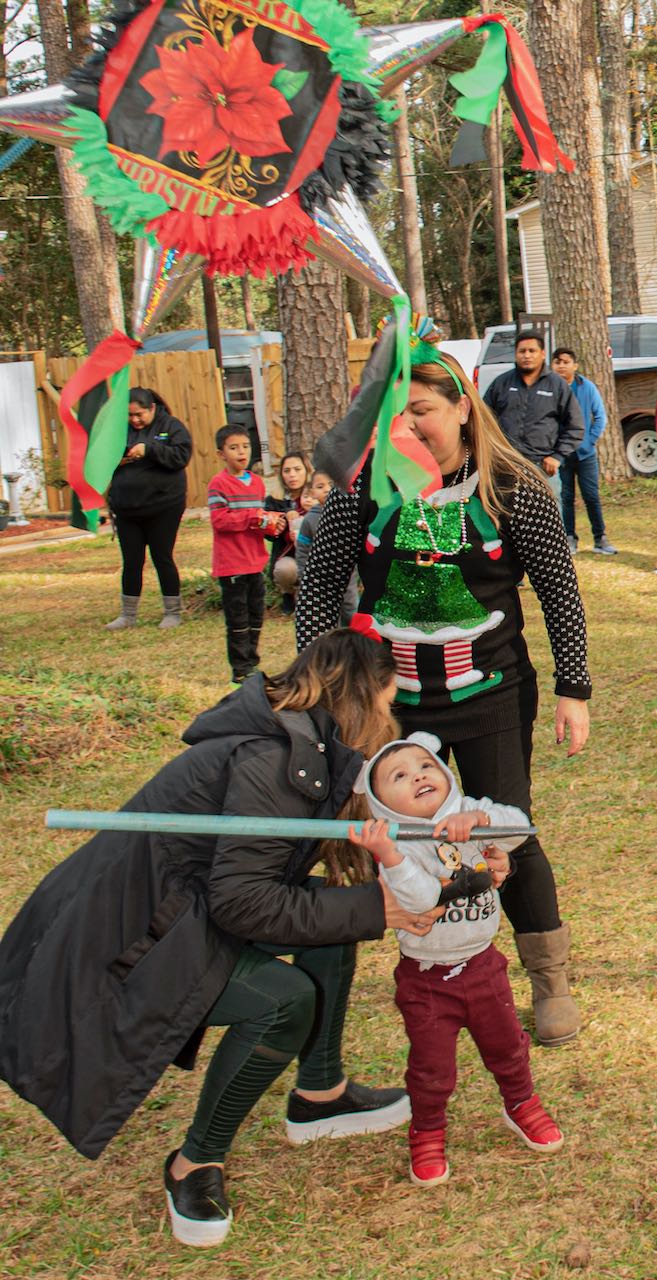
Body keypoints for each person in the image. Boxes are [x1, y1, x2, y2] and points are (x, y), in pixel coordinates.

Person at [0, 631, 441, 1249]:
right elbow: (243, 902)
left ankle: (320, 1096)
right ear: (363, 697)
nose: (391, 720)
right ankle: (193, 1164)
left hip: (178, 915)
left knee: (336, 924)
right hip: (124, 943)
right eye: (389, 702)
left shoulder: (298, 742)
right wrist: (376, 907)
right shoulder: (271, 761)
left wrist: (450, 861)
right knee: (285, 999)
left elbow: (261, 882)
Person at [297, 327, 591, 1048]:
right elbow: (318, 585)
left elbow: (559, 591)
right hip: (389, 708)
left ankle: (549, 978)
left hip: (489, 694)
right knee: (392, 838)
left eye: (422, 410)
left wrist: (573, 688)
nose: (409, 426)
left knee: (503, 829)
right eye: (396, 415)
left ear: (461, 407)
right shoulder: (364, 488)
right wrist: (321, 688)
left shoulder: (511, 486)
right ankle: (429, 970)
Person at [349, 732, 563, 1186]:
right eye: (399, 776)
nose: (418, 776)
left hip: (485, 965)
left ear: (445, 773)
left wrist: (482, 819)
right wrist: (389, 856)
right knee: (432, 1068)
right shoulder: (397, 844)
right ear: (379, 802)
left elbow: (521, 828)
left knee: (508, 1046)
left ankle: (521, 1102)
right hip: (426, 978)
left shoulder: (467, 808)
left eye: (426, 766)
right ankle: (427, 1130)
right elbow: (421, 898)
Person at [105, 387, 192, 630]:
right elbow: (104, 459)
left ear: (152, 408)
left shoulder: (171, 426)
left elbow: (181, 456)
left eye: (139, 414)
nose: (135, 420)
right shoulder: (119, 431)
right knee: (132, 561)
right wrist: (119, 459)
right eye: (130, 415)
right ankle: (128, 615)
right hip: (127, 509)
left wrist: (150, 449)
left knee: (162, 557)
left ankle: (172, 612)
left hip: (163, 506)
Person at [208, 424, 286, 688]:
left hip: (255, 561)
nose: (241, 452)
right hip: (232, 565)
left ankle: (252, 662)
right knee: (238, 619)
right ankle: (240, 669)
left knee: (255, 616)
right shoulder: (218, 484)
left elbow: (259, 520)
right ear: (221, 454)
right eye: (233, 448)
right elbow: (220, 520)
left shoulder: (257, 483)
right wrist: (253, 517)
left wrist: (272, 525)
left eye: (245, 446)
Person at [483, 331, 584, 504]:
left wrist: (557, 456)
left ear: (542, 354)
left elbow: (575, 426)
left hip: (543, 468)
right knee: (506, 515)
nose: (527, 355)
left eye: (532, 351)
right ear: (516, 354)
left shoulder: (557, 385)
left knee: (548, 517)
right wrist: (493, 454)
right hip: (507, 466)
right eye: (522, 351)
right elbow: (484, 421)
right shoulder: (501, 384)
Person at [551, 347, 618, 556]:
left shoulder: (586, 387)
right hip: (560, 455)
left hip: (585, 453)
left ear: (575, 365)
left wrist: (589, 442)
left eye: (566, 362)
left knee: (591, 496)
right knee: (566, 497)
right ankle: (569, 538)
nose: (561, 366)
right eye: (557, 362)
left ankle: (600, 538)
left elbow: (600, 417)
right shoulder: (549, 388)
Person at [295, 469, 359, 625]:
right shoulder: (309, 520)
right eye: (320, 486)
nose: (326, 489)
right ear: (312, 492)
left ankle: (354, 636)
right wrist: (304, 575)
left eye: (331, 484)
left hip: (346, 576)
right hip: (320, 578)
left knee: (351, 609)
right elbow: (302, 551)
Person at [264, 452, 313, 615]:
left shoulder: (317, 494)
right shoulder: (274, 500)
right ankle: (288, 593)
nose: (292, 475)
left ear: (307, 471)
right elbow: (268, 535)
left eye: (297, 469)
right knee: (284, 570)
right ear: (281, 475)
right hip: (289, 556)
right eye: (287, 471)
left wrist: (313, 511)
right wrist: (280, 524)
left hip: (315, 554)